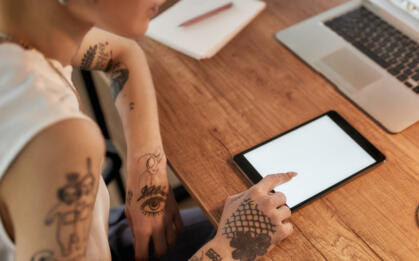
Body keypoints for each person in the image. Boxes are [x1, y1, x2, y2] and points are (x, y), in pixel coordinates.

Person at [0, 0, 295, 260]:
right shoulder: (57, 137)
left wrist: (147, 165)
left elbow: (123, 54)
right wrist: (231, 248)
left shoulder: (25, 25)